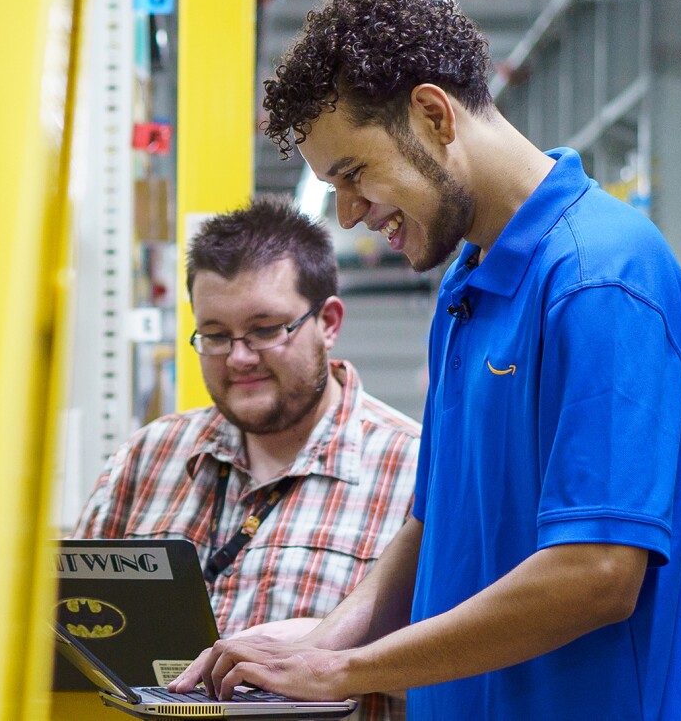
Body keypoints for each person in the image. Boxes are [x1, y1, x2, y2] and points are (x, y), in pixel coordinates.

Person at [170, 0, 681, 719]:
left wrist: (347, 667)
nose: (347, 213)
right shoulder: (469, 280)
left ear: (434, 115)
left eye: (352, 173)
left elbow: (596, 570)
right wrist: (324, 641)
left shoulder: (598, 278)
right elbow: (432, 519)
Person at [72, 196, 421, 721]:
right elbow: (67, 642)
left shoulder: (418, 472)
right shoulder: (145, 459)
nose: (238, 357)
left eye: (264, 329)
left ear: (327, 321)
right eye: (214, 335)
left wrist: (337, 652)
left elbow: (472, 674)